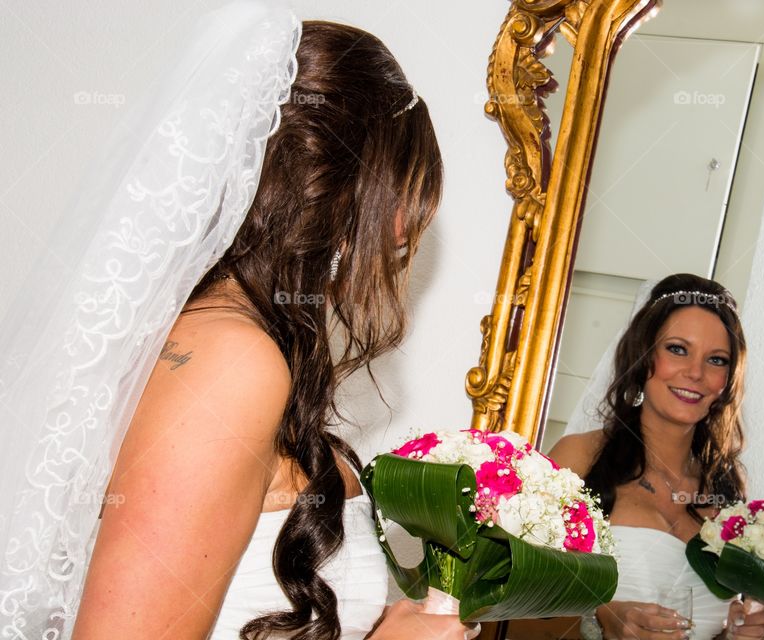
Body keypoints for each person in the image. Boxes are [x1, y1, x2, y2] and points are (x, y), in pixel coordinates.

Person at [0, 6, 470, 640]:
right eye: (399, 205)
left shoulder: (212, 337)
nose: (401, 239)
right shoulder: (232, 360)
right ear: (338, 193)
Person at [549, 274, 764, 640]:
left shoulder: (729, 491)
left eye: (716, 360)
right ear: (644, 358)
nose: (696, 373)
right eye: (677, 349)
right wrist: (604, 617)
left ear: (727, 381)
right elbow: (509, 603)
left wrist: (739, 634)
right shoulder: (579, 458)